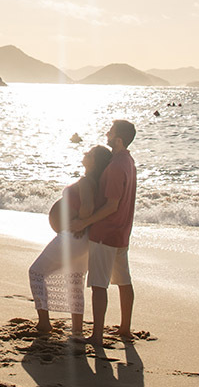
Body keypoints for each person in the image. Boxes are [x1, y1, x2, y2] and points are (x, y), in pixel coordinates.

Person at [30, 145, 112, 336]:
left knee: (36, 272)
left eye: (89, 154)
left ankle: (44, 322)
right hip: (83, 240)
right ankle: (77, 328)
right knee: (75, 281)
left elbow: (87, 207)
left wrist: (80, 222)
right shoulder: (95, 182)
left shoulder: (86, 181)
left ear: (94, 162)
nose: (85, 154)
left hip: (73, 237)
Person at [71, 119, 137, 344]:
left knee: (99, 285)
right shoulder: (129, 161)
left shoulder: (116, 166)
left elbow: (111, 205)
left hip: (106, 232)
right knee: (124, 281)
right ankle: (125, 328)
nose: (107, 134)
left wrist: (84, 222)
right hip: (122, 232)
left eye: (110, 132)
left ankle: (97, 335)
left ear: (118, 139)